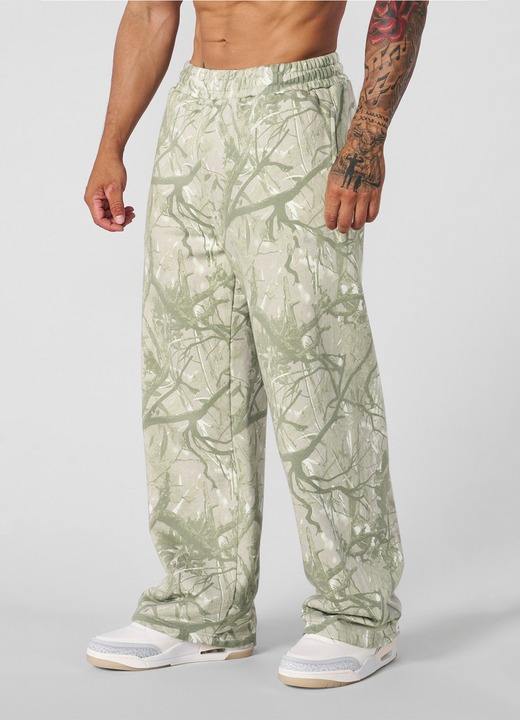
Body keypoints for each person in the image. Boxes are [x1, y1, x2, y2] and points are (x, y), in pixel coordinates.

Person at [84, 0, 428, 688]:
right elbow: (150, 11)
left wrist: (366, 134)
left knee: (316, 361)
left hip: (295, 106)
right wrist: (111, 145)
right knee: (189, 366)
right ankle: (200, 608)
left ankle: (356, 614)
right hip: (193, 115)